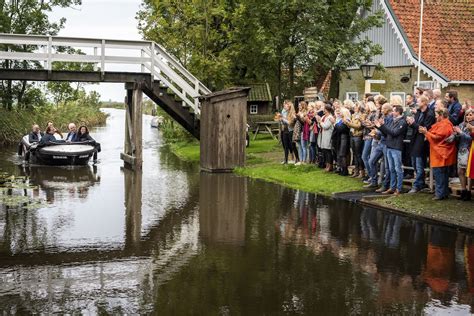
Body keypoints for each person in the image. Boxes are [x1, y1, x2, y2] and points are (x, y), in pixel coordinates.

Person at [419, 108, 457, 200]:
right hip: (443, 153)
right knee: (443, 175)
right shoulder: (447, 124)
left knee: (440, 175)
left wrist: (426, 133)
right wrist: (427, 133)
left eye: (436, 115)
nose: (435, 117)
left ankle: (439, 194)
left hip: (440, 154)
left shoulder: (444, 124)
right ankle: (443, 193)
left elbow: (437, 137)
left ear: (441, 115)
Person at [375, 105, 408, 195]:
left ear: (398, 112)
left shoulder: (402, 122)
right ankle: (392, 187)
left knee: (398, 169)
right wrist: (379, 126)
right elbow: (387, 132)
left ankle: (399, 188)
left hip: (396, 147)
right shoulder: (393, 121)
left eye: (394, 111)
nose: (392, 113)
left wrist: (383, 126)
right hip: (389, 146)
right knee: (391, 168)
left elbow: (394, 133)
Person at [406, 95, 435, 193]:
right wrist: (410, 123)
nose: (416, 103)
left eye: (418, 102)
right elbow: (416, 126)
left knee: (419, 164)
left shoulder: (430, 114)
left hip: (422, 141)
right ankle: (420, 183)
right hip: (414, 140)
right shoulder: (418, 112)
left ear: (424, 103)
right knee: (414, 163)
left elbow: (424, 129)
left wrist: (413, 123)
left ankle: (417, 185)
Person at [453, 108, 474, 200]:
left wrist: (460, 132)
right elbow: (459, 139)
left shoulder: (473, 126)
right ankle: (463, 190)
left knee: (468, 172)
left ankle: (469, 191)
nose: (468, 117)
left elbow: (470, 139)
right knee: (460, 171)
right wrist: (455, 134)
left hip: (470, 149)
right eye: (467, 115)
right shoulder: (461, 124)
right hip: (461, 150)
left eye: (471, 115)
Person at [344, 100, 365, 177]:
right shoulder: (353, 115)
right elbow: (351, 126)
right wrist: (347, 123)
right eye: (354, 107)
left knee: (359, 154)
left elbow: (359, 126)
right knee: (355, 154)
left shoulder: (362, 115)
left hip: (358, 136)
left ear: (359, 107)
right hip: (352, 135)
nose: (354, 108)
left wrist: (349, 123)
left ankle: (361, 171)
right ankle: (356, 171)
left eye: (356, 106)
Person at [316, 104, 335, 172]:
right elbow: (319, 125)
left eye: (324, 109)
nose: (323, 110)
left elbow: (326, 126)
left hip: (328, 135)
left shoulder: (330, 117)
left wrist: (320, 122)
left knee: (328, 151)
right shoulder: (324, 116)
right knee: (324, 150)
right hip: (322, 135)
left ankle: (330, 166)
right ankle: (326, 165)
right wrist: (319, 122)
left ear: (327, 110)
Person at [333, 107, 351, 175]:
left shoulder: (347, 120)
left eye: (341, 112)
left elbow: (341, 128)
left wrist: (335, 125)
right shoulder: (341, 120)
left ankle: (345, 170)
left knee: (342, 154)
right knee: (340, 154)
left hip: (344, 138)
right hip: (340, 138)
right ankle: (342, 169)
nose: (339, 113)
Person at [278, 100, 295, 164]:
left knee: (291, 145)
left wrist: (282, 118)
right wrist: (280, 119)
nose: (284, 105)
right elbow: (283, 121)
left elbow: (289, 122)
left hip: (289, 130)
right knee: (285, 145)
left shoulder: (291, 112)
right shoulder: (283, 111)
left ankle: (293, 157)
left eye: (285, 104)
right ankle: (285, 160)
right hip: (284, 129)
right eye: (284, 104)